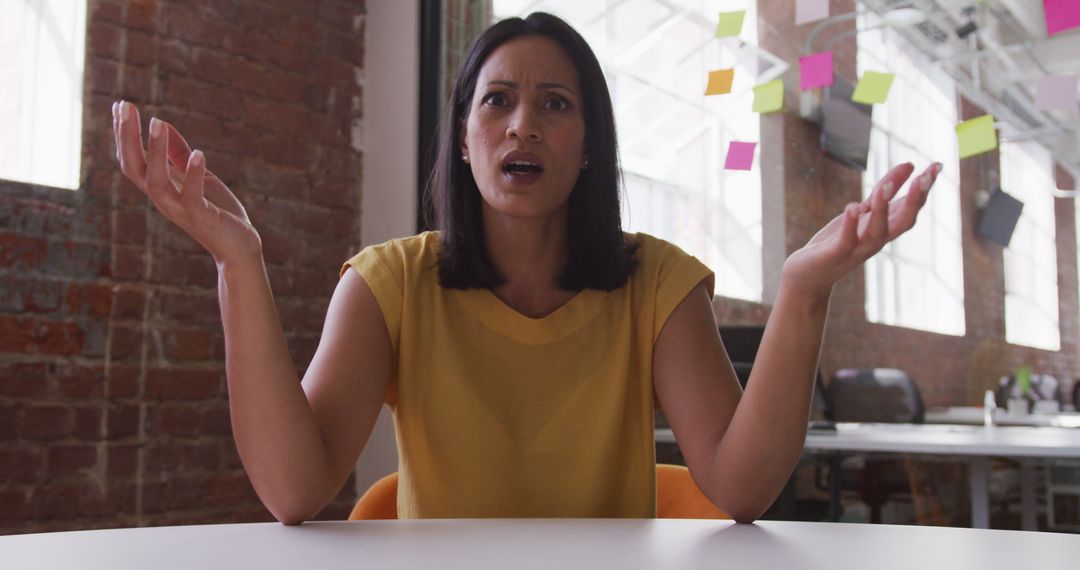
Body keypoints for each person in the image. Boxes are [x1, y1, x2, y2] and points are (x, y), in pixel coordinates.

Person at [111, 12, 942, 524]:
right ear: (465, 138)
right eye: (497, 101)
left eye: (555, 105)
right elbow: (294, 491)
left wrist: (804, 288)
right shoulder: (388, 282)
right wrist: (238, 261)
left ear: (588, 147)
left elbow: (741, 487)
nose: (523, 127)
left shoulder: (657, 283)